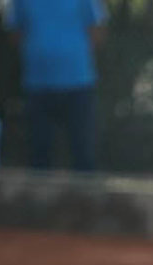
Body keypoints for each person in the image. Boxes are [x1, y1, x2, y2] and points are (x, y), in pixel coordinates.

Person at [6, 0, 107, 172]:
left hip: (78, 82)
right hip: (38, 84)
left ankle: (85, 198)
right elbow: (15, 32)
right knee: (39, 156)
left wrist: (69, 52)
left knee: (83, 155)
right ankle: (39, 198)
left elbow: (97, 30)